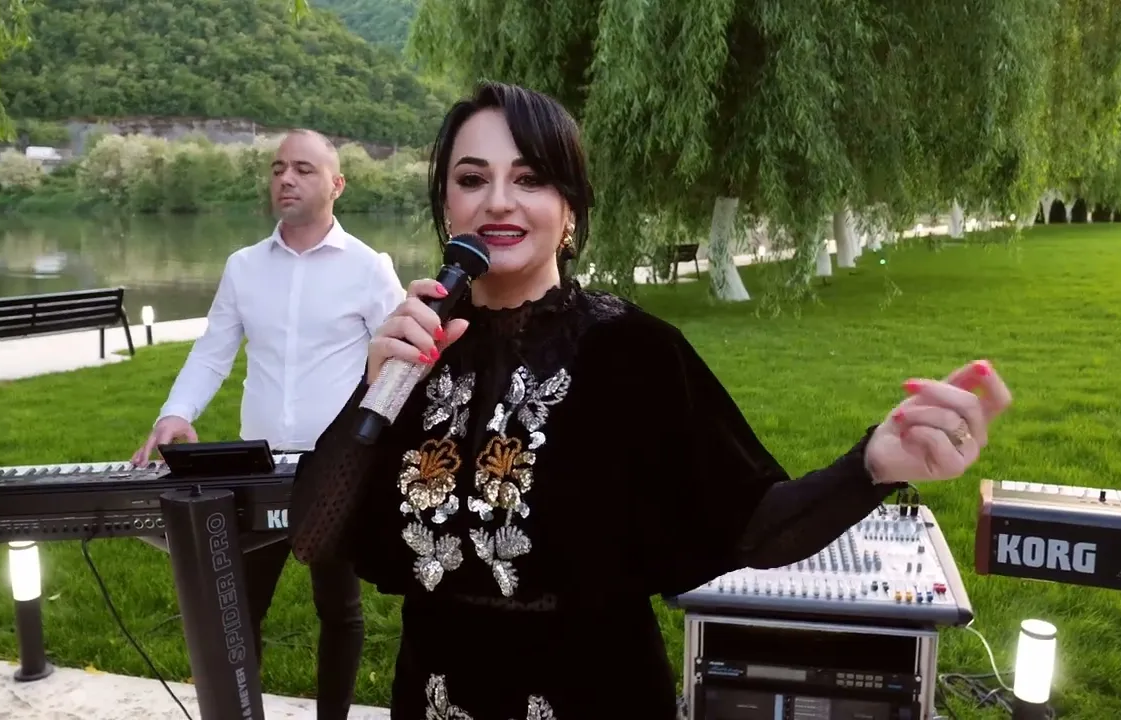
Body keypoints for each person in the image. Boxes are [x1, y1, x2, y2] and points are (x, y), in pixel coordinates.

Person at [287, 84, 1013, 720]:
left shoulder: (633, 352)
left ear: (570, 210)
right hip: (435, 696)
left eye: (530, 178)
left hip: (593, 695)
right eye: (472, 178)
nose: (499, 201)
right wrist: (375, 384)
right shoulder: (417, 352)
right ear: (447, 206)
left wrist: (871, 466)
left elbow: (756, 528)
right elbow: (312, 537)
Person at [130, 129, 404, 720]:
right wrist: (175, 413)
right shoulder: (243, 267)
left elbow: (400, 363)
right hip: (256, 467)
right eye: (278, 168)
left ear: (336, 184)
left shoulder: (369, 268)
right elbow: (212, 352)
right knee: (240, 609)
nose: (286, 178)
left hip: (335, 469)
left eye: (303, 169)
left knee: (339, 608)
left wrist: (378, 443)